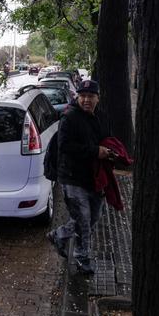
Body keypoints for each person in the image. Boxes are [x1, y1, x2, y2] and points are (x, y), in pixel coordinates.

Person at [47, 79, 112, 274]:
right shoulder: (69, 117)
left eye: (90, 97)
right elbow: (65, 146)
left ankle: (59, 234)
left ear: (97, 98)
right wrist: (95, 151)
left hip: (94, 177)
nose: (86, 100)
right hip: (72, 177)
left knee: (93, 218)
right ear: (78, 97)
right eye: (82, 96)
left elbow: (105, 138)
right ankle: (82, 259)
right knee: (83, 221)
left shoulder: (100, 116)